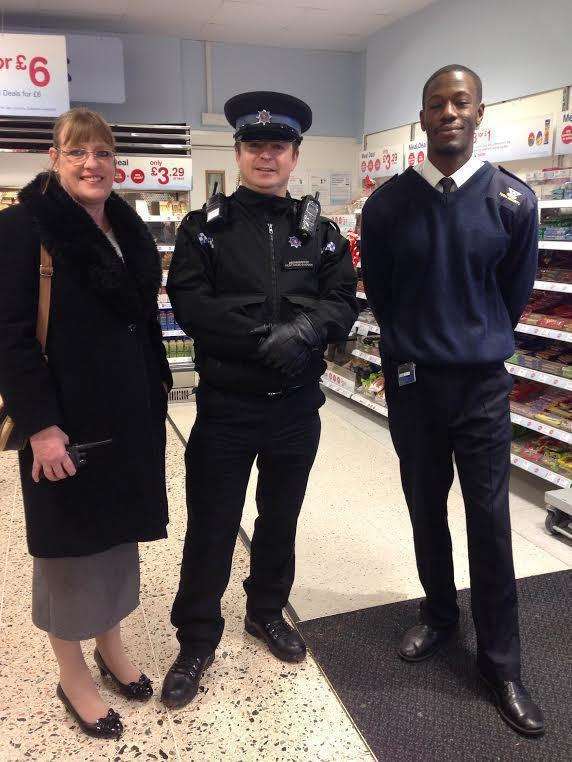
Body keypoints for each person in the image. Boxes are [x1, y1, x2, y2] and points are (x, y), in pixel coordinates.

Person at [361, 65, 544, 737]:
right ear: (422, 117)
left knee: (489, 523)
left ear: (478, 112)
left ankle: (502, 664)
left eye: (459, 101)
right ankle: (439, 615)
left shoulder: (513, 203)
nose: (448, 112)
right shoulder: (387, 205)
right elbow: (381, 291)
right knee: (424, 508)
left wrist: (473, 338)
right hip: (414, 385)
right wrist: (413, 346)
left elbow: (514, 293)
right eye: (436, 103)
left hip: (481, 388)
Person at [161, 91, 358, 709]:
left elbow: (344, 301)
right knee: (213, 525)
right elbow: (190, 303)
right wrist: (261, 337)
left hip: (296, 411)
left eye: (278, 146)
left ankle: (266, 611)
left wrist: (302, 330)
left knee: (280, 519)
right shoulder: (206, 231)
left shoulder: (320, 232)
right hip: (227, 409)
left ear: (295, 156)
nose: (266, 156)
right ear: (239, 152)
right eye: (254, 146)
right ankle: (196, 637)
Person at [0, 108, 172, 740]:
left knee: (115, 537)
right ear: (55, 158)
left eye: (102, 152)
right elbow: (11, 337)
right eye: (77, 152)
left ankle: (111, 644)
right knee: (69, 548)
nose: (92, 163)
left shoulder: (123, 228)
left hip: (126, 417)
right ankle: (71, 669)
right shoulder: (21, 229)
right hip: (63, 425)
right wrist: (40, 426)